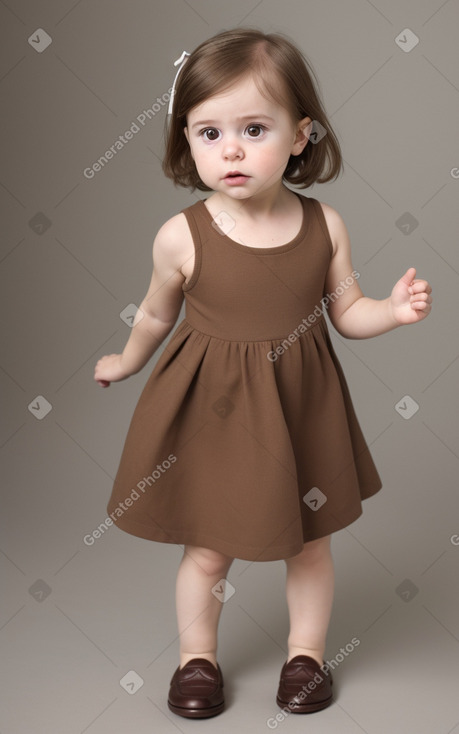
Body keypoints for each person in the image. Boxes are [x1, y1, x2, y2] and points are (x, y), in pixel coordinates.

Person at [94, 28, 432, 719]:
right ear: (185, 139)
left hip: (299, 405)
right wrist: (126, 360)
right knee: (208, 552)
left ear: (301, 134)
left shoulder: (324, 225)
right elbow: (157, 316)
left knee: (308, 548)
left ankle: (304, 657)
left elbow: (347, 313)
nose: (232, 151)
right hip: (212, 411)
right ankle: (197, 659)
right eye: (208, 133)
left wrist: (390, 313)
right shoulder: (181, 235)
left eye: (253, 128)